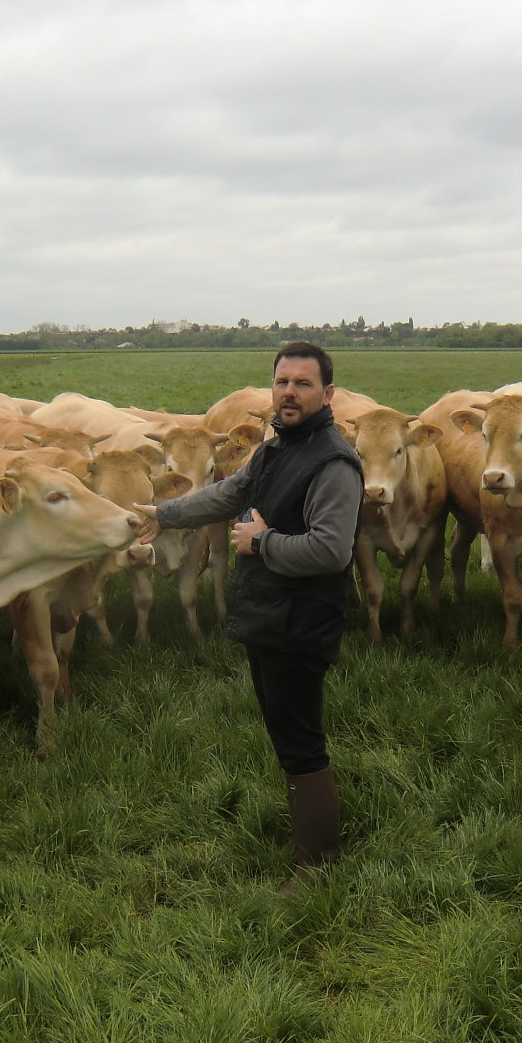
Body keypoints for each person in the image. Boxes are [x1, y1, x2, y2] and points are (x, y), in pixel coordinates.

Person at [133, 342, 364, 882]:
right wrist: (163, 513)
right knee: (285, 733)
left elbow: (331, 550)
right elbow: (226, 494)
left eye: (303, 384)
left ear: (326, 394)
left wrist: (262, 544)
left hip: (301, 620)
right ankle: (304, 842)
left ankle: (317, 863)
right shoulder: (275, 450)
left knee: (301, 739)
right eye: (282, 382)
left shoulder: (333, 462)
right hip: (269, 614)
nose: (289, 392)